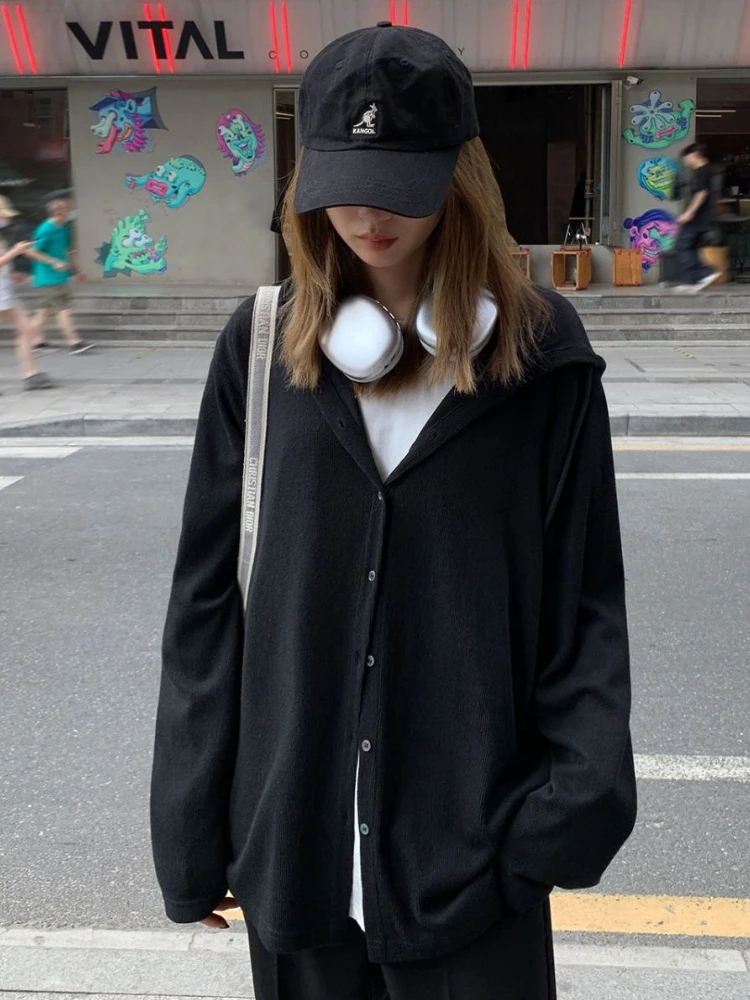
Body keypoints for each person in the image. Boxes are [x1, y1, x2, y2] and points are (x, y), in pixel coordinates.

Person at [150, 22, 636, 1000]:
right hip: (296, 866)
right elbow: (206, 607)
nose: (369, 213)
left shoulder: (540, 356)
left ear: (461, 175)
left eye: (401, 184)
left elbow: (585, 605)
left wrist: (557, 826)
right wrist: (193, 832)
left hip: (475, 876)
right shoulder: (259, 347)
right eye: (345, 180)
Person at [0, 195, 55, 390]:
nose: (6, 219)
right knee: (26, 329)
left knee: (27, 330)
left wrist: (12, 273)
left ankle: (31, 374)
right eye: (3, 215)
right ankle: (31, 374)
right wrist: (15, 252)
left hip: (5, 291)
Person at [24, 198, 92, 354]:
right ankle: (74, 342)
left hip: (58, 276)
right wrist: (53, 262)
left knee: (44, 311)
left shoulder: (64, 228)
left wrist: (77, 270)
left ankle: (35, 341)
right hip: (49, 277)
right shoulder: (46, 229)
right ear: (59, 212)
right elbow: (31, 251)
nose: (71, 213)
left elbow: (70, 250)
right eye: (69, 210)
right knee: (63, 309)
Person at [674, 143, 720, 294]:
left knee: (681, 245)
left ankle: (705, 273)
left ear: (694, 155)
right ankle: (691, 281)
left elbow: (701, 194)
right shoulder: (708, 171)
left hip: (696, 218)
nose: (686, 162)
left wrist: (689, 213)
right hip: (702, 218)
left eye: (686, 158)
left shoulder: (702, 171)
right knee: (690, 247)